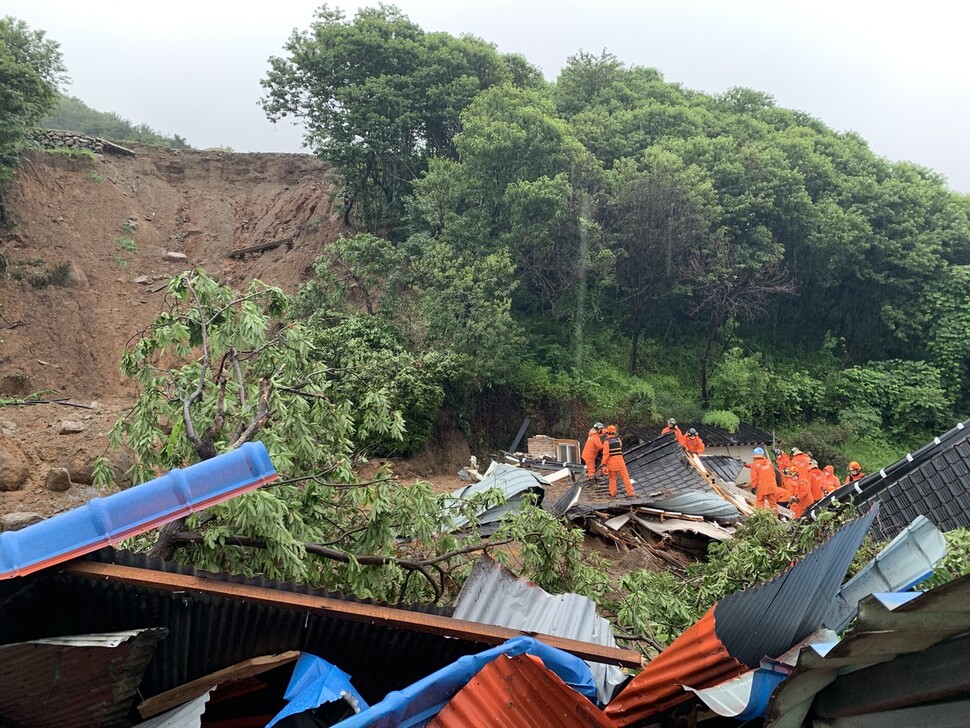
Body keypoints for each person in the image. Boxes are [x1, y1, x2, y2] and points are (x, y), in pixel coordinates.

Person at [601, 425, 635, 498]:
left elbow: (606, 455)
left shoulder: (606, 442)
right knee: (625, 477)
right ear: (615, 432)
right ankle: (630, 493)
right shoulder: (618, 440)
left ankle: (613, 493)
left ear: (607, 433)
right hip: (620, 462)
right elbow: (620, 446)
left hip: (612, 464)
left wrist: (603, 464)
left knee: (612, 478)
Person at [746, 447, 783, 511]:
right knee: (773, 503)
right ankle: (775, 518)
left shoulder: (754, 464)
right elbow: (772, 473)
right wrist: (746, 465)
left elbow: (754, 478)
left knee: (760, 503)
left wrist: (753, 487)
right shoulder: (769, 463)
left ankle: (762, 518)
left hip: (761, 487)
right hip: (772, 486)